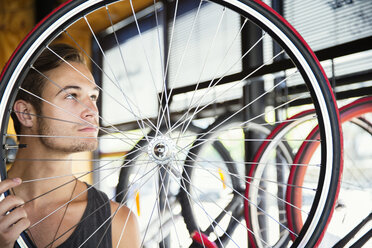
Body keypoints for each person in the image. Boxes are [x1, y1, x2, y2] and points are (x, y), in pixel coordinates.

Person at [0, 44, 140, 248]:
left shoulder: (119, 222)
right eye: (72, 96)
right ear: (27, 114)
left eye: (93, 97)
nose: (92, 111)